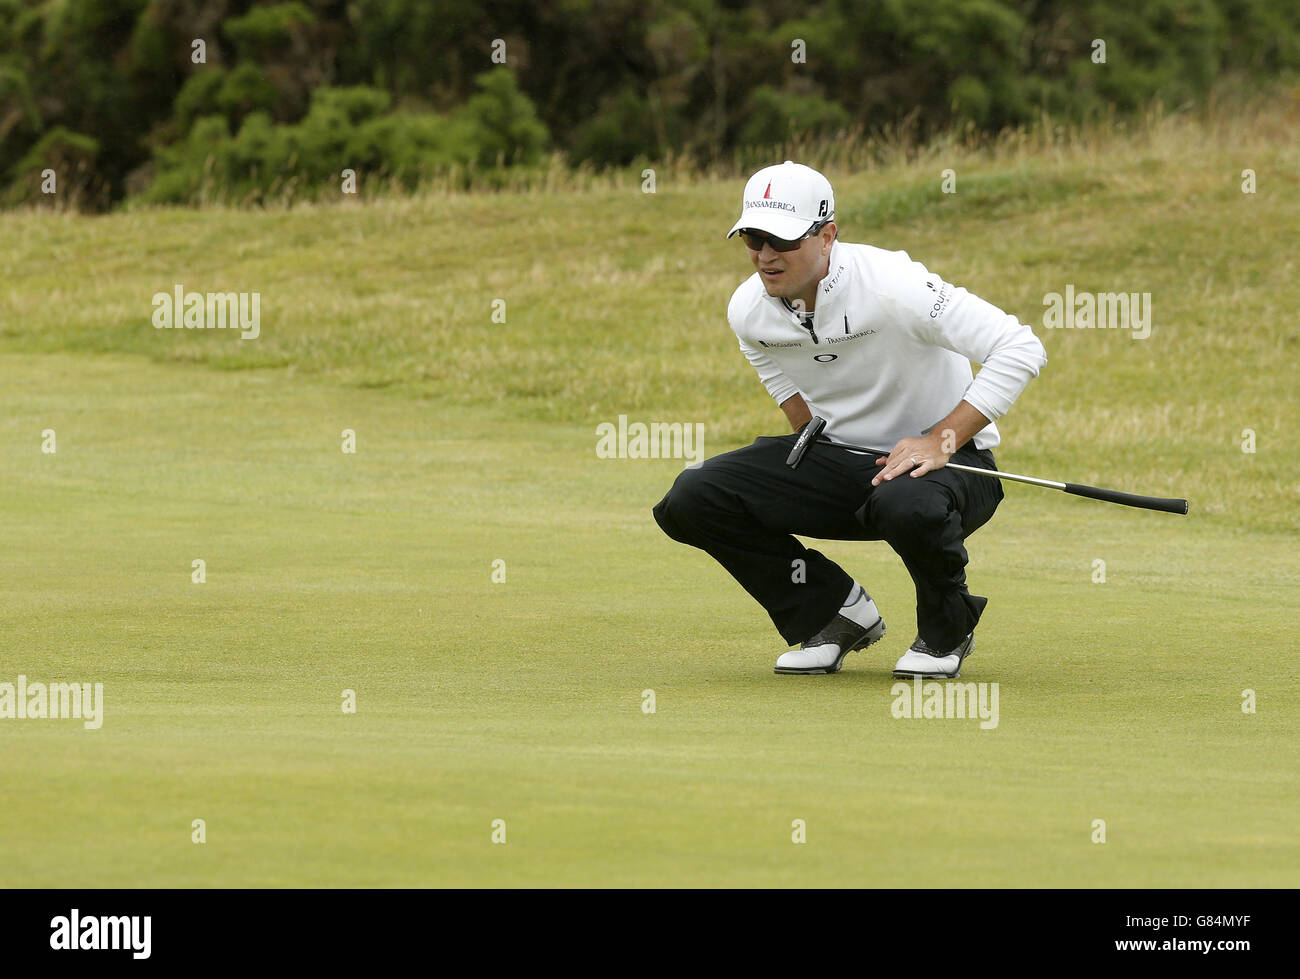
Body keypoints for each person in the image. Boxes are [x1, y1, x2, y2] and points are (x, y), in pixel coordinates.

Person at [652, 161, 1048, 679]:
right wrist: (810, 439)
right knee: (693, 497)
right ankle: (833, 615)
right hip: (843, 464)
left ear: (827, 235)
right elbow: (779, 372)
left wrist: (941, 440)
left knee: (905, 502)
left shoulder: (893, 285)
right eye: (752, 238)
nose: (766, 256)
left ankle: (945, 630)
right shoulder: (749, 308)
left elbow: (1018, 347)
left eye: (783, 240)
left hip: (951, 473)